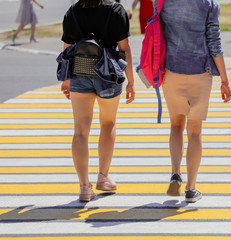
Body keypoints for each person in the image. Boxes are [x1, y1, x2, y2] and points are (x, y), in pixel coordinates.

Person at [60, 0, 135, 202]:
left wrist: (66, 80)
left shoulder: (73, 11)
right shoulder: (116, 10)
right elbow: (124, 47)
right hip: (108, 74)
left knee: (80, 130)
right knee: (108, 122)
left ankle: (84, 187)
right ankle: (103, 176)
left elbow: (67, 48)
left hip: (79, 72)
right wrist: (131, 82)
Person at [159, 0, 231, 203]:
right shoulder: (209, 4)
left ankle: (175, 173)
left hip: (171, 71)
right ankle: (191, 188)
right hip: (200, 72)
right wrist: (224, 80)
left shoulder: (164, 2)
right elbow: (214, 43)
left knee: (175, 125)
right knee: (195, 131)